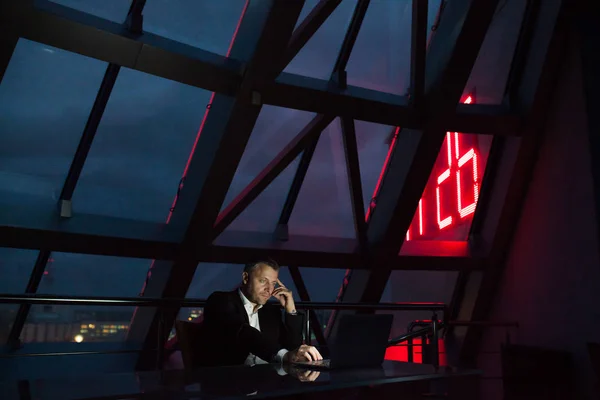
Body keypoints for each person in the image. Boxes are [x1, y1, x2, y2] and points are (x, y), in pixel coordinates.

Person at [203, 259, 322, 366]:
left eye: (273, 283)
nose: (269, 289)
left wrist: (290, 310)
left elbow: (292, 348)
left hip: (267, 381)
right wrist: (283, 355)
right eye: (263, 281)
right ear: (245, 278)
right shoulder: (220, 300)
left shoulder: (270, 311)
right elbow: (244, 333)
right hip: (228, 382)